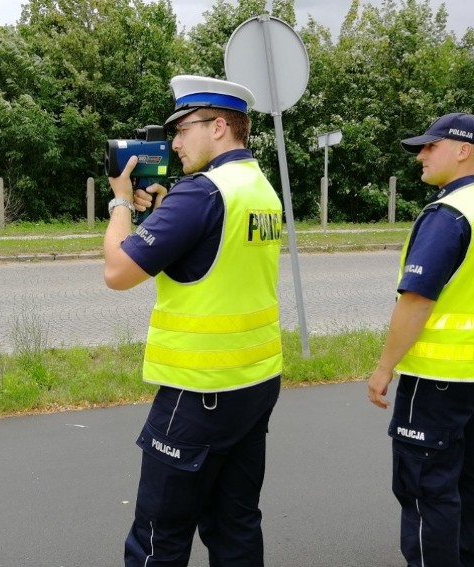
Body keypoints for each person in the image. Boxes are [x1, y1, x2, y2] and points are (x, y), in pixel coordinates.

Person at [104, 75, 284, 567]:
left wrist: (121, 202)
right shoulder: (258, 186)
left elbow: (118, 272)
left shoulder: (202, 192)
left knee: (159, 535)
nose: (175, 143)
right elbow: (213, 257)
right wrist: (163, 213)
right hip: (254, 381)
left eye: (183, 129)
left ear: (220, 126)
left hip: (198, 389)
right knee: (235, 523)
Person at [367, 112, 474, 567]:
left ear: (462, 150)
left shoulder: (448, 214)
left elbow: (416, 301)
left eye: (431, 146)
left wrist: (383, 368)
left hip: (437, 378)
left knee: (425, 488)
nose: (421, 155)